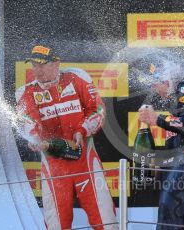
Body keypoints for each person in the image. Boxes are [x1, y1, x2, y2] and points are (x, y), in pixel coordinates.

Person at [16, 44, 118, 230]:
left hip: (85, 162)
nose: (37, 70)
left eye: (42, 64)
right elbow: (28, 121)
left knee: (106, 221)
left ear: (56, 63)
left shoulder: (77, 78)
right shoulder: (26, 93)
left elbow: (98, 110)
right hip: (55, 169)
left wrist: (82, 130)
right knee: (56, 225)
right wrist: (34, 138)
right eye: (34, 65)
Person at [138, 62, 184, 230]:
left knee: (171, 219)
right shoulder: (176, 99)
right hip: (178, 164)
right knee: (171, 219)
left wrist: (157, 118)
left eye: (155, 84)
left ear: (166, 79)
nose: (155, 89)